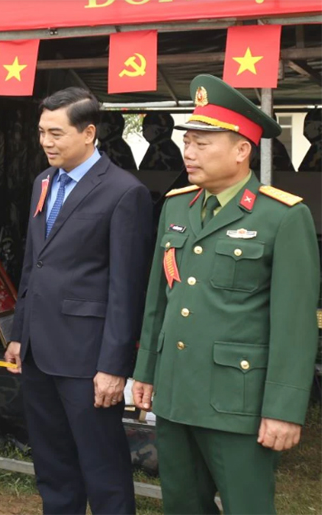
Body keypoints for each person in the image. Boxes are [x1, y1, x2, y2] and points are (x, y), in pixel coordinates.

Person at [131, 74, 320, 514]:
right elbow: (158, 301)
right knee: (182, 504)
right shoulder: (177, 206)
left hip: (238, 402)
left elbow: (294, 326)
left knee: (246, 506)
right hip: (176, 394)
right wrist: (146, 372)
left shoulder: (282, 217)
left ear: (241, 150)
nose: (189, 152)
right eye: (187, 141)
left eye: (202, 143)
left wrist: (284, 408)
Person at [3, 87, 153, 514]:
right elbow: (34, 264)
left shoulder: (124, 191)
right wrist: (19, 333)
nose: (46, 142)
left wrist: (114, 367)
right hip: (38, 350)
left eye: (56, 133)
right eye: (41, 132)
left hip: (87, 357)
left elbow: (127, 288)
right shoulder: (43, 182)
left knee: (102, 466)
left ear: (88, 133)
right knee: (53, 465)